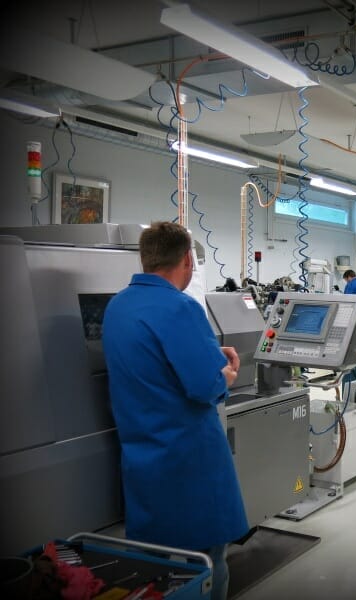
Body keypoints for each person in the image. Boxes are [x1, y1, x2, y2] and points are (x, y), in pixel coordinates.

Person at [102, 222, 248, 600]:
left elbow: (152, 363)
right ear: (187, 260)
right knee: (208, 562)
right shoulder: (181, 308)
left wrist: (205, 354)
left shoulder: (117, 306)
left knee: (152, 568)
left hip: (142, 458)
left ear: (145, 258)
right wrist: (227, 374)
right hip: (190, 461)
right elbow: (206, 386)